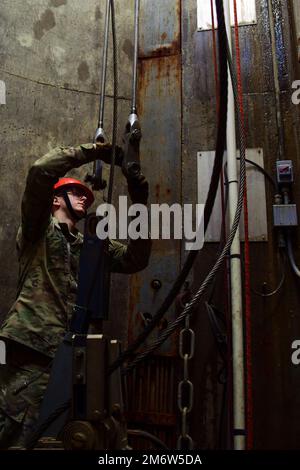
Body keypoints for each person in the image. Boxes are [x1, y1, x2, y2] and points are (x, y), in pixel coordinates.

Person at [0, 142, 151, 448]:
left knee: (63, 439)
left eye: (88, 195)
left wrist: (139, 200)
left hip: (76, 360)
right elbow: (41, 171)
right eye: (76, 192)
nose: (85, 197)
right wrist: (95, 151)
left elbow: (136, 259)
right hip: (31, 356)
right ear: (55, 199)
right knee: (17, 436)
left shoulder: (92, 247)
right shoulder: (37, 231)